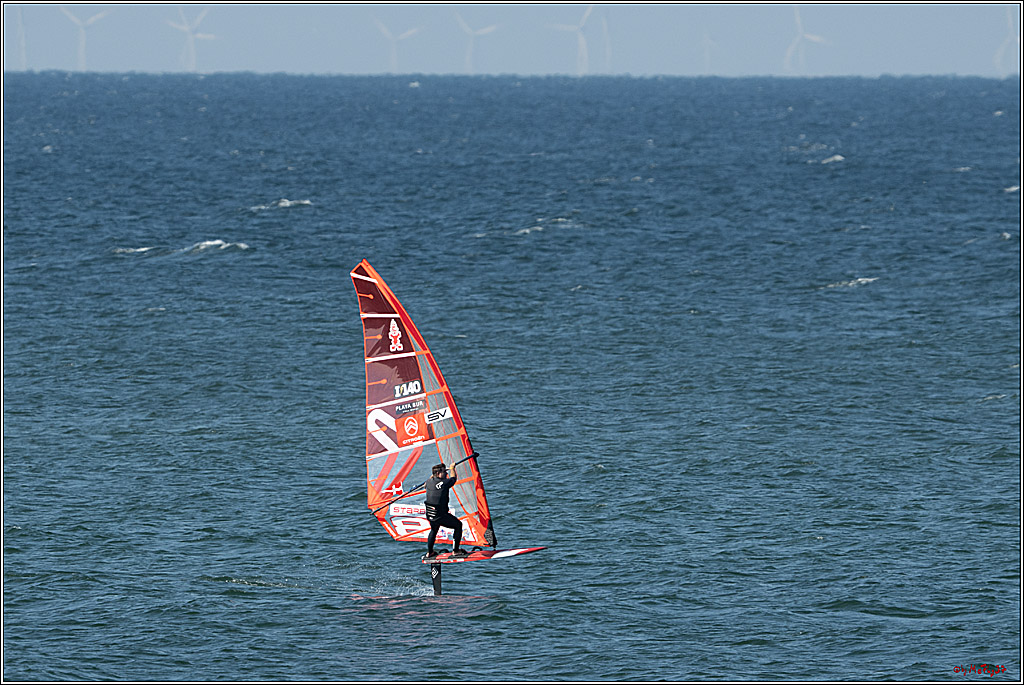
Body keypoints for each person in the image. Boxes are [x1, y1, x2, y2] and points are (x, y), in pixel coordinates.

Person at [423, 463, 467, 559]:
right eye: (444, 472)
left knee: (434, 530)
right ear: (438, 473)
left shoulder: (428, 482)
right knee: (458, 525)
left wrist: (435, 475)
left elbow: (429, 481)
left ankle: (429, 552)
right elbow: (453, 478)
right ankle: (456, 551)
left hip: (430, 514)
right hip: (440, 515)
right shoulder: (444, 483)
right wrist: (452, 468)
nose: (446, 474)